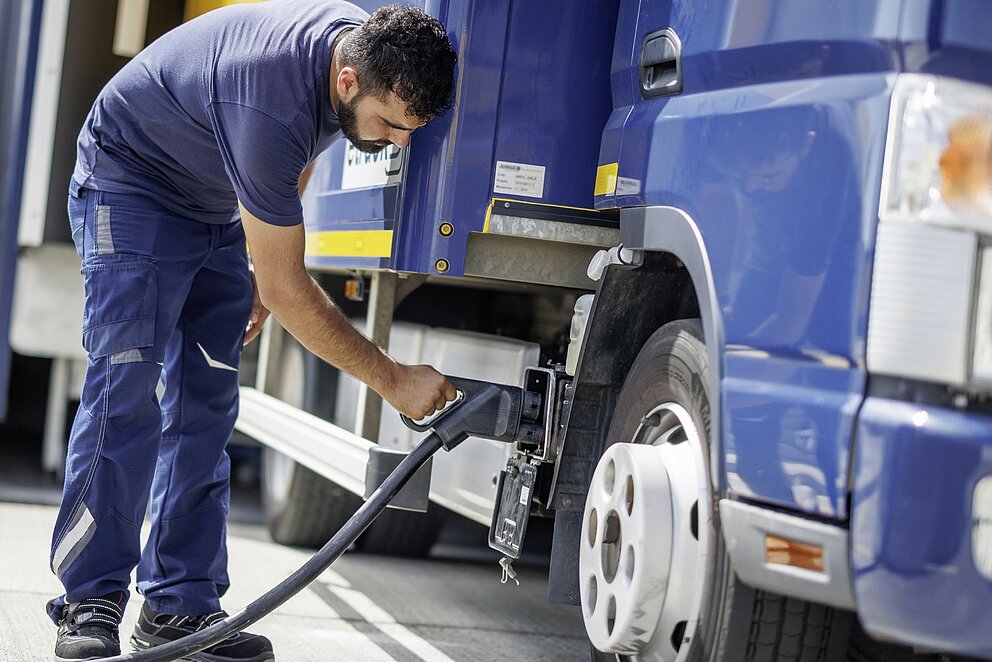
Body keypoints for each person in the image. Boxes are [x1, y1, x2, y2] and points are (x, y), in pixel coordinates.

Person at [47, 2, 458, 660]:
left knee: (208, 399)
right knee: (125, 388)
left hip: (213, 203)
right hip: (130, 182)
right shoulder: (273, 96)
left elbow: (300, 156)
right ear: (348, 80)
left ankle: (179, 608)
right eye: (390, 123)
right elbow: (289, 288)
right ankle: (89, 599)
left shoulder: (354, 46)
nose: (399, 140)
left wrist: (258, 255)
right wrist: (393, 379)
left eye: (411, 128)